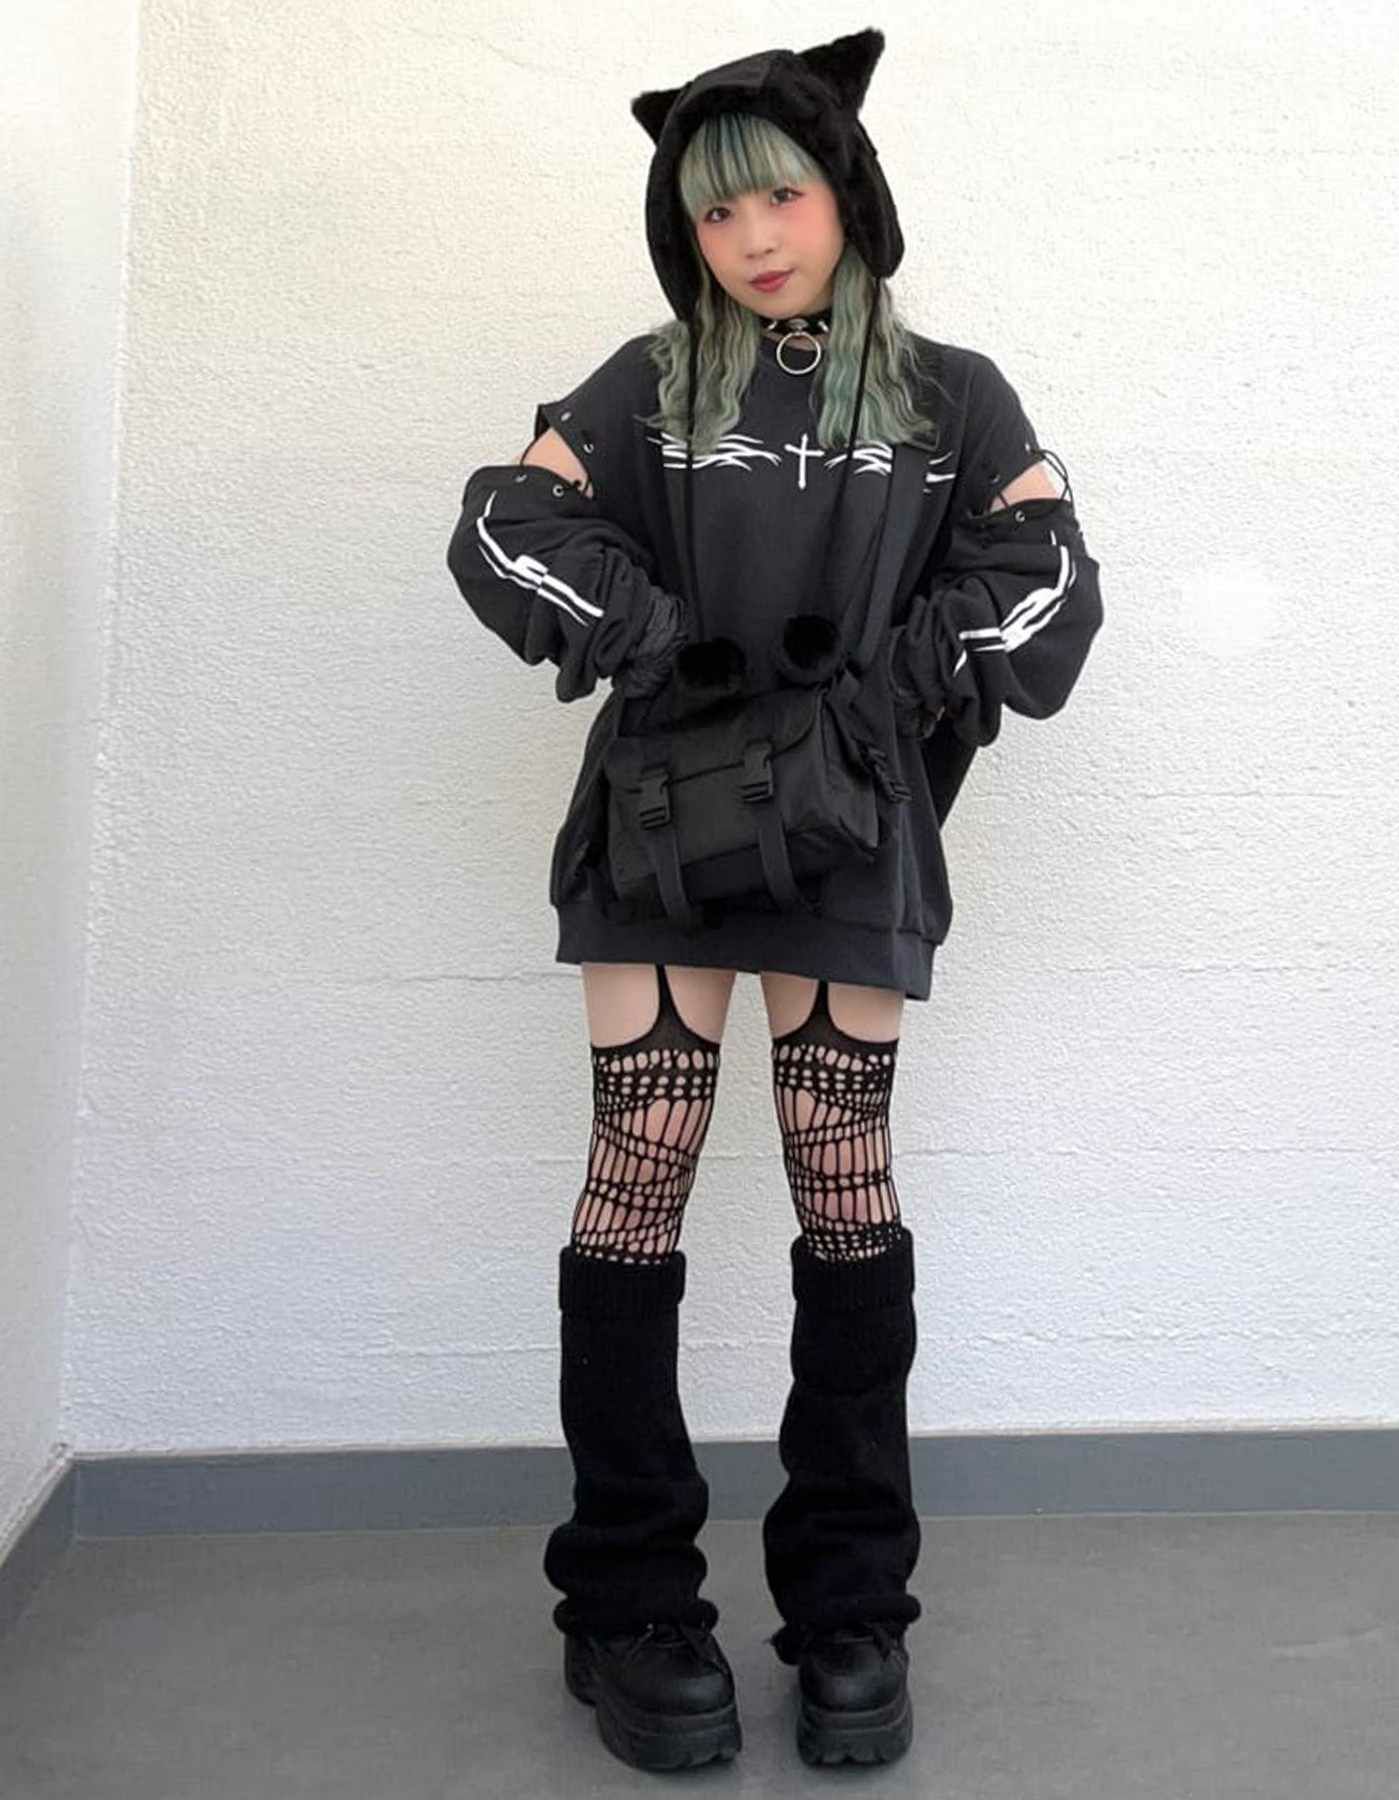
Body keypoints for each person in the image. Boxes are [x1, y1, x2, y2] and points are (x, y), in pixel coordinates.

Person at [445, 26, 1103, 1773]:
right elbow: (504, 529)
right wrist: (657, 642)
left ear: (847, 196)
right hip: (660, 835)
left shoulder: (953, 397)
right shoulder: (646, 387)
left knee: (845, 1192)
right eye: (714, 209)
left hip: (848, 837)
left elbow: (1047, 574)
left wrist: (889, 696)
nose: (752, 236)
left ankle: (851, 1608)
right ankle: (629, 1603)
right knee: (635, 1185)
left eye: (783, 195)